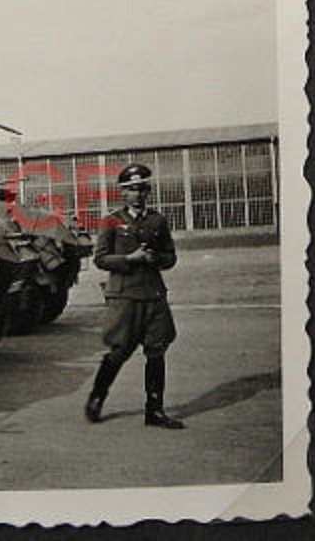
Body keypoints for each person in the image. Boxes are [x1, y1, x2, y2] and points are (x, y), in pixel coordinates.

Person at [85, 162, 185, 429]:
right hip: (125, 296)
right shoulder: (112, 221)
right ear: (122, 193)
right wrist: (130, 258)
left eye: (141, 189)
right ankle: (97, 396)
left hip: (153, 295)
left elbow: (171, 257)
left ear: (148, 191)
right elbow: (101, 259)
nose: (137, 195)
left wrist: (156, 259)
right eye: (131, 190)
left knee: (156, 351)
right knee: (119, 351)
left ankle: (154, 410)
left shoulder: (157, 221)